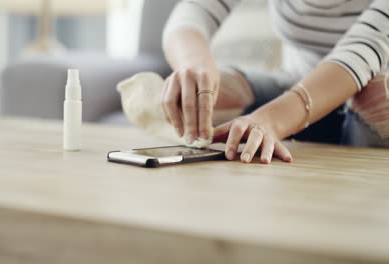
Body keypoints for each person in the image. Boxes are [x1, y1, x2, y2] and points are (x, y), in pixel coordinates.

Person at [161, 0, 389, 164]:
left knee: (377, 96)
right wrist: (194, 63)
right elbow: (194, 10)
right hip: (293, 82)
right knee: (201, 97)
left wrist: (270, 121)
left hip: (369, 90)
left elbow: (362, 51)